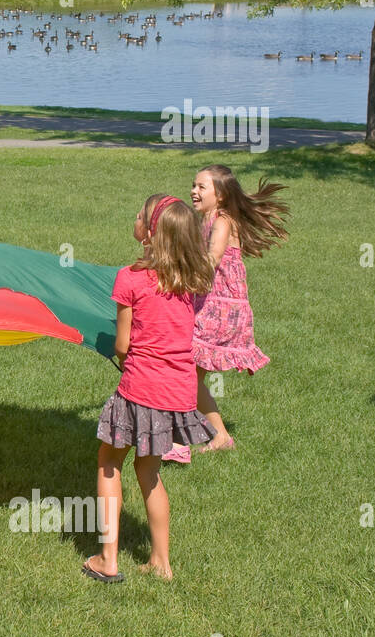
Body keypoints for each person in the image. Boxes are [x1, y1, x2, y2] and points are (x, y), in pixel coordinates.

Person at [83, 194, 215, 583]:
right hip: (176, 393)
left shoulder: (131, 277)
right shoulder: (191, 281)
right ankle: (162, 562)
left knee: (109, 462)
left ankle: (108, 560)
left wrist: (116, 347)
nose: (135, 217)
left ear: (150, 232)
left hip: (139, 390)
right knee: (150, 471)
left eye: (140, 215)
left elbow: (123, 345)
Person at [163, 166, 289, 463]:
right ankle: (219, 436)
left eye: (201, 187)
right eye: (192, 185)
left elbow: (212, 259)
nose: (194, 191)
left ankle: (179, 440)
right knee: (189, 375)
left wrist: (181, 275)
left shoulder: (222, 221)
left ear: (219, 195)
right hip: (206, 301)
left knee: (185, 371)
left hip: (220, 308)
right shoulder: (203, 219)